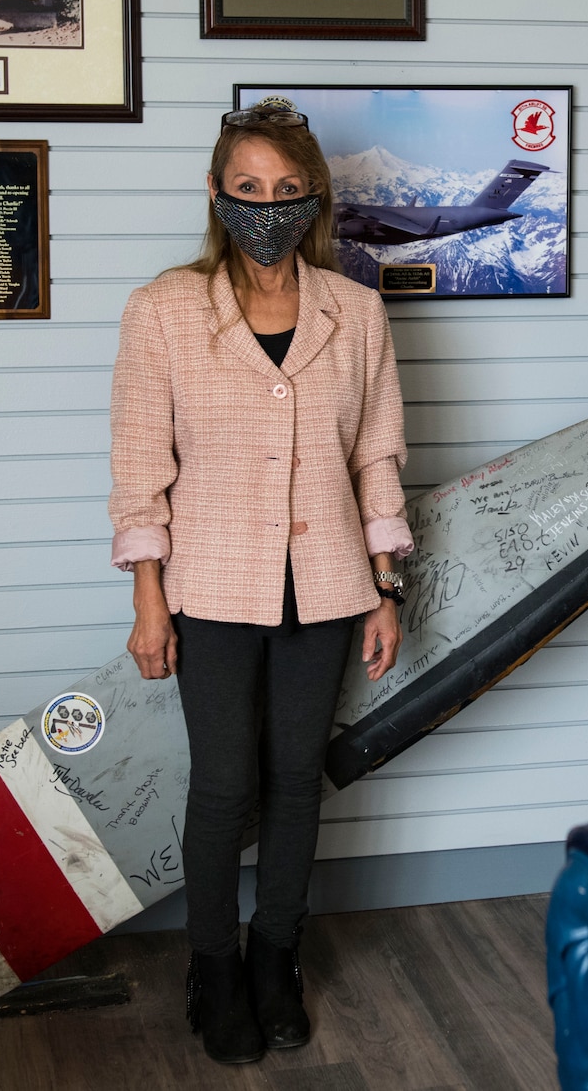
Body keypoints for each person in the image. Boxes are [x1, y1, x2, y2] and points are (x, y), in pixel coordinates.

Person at [108, 97, 411, 1064]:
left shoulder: (355, 312)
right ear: (215, 193)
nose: (267, 206)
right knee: (223, 784)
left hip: (326, 587)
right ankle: (212, 964)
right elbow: (137, 467)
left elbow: (377, 458)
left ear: (314, 198)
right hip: (212, 587)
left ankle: (276, 955)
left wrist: (386, 585)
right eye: (247, 189)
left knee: (294, 785)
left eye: (287, 191)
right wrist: (148, 598)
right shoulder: (164, 309)